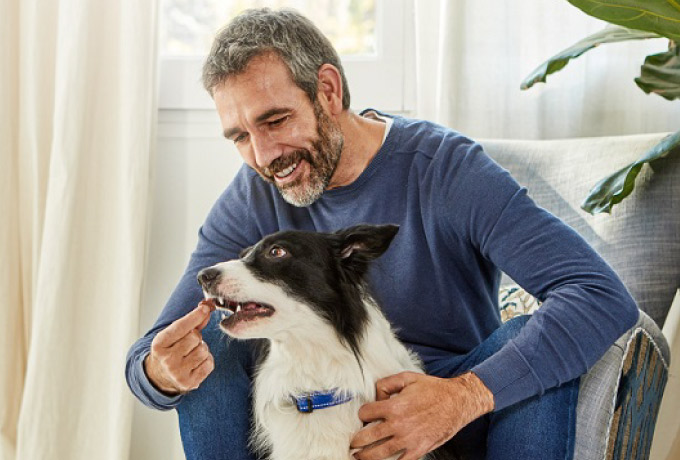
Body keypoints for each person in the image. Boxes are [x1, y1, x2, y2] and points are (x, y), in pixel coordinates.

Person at [125, 8, 639, 460]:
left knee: (528, 338)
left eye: (276, 120)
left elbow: (598, 295)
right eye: (240, 136)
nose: (263, 155)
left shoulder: (448, 171)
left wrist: (464, 396)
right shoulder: (257, 192)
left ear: (327, 90)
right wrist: (160, 372)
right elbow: (150, 354)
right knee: (210, 336)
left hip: (450, 401)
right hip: (320, 409)